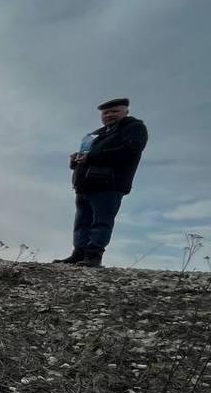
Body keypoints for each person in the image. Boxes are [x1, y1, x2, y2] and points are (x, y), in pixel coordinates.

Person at [54, 98, 148, 267]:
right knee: (82, 222)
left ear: (126, 111)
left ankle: (93, 256)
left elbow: (129, 151)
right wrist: (76, 159)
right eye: (105, 113)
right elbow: (85, 157)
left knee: (101, 221)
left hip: (109, 184)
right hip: (84, 184)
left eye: (114, 111)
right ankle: (79, 253)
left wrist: (90, 157)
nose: (109, 115)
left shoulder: (135, 128)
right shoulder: (95, 135)